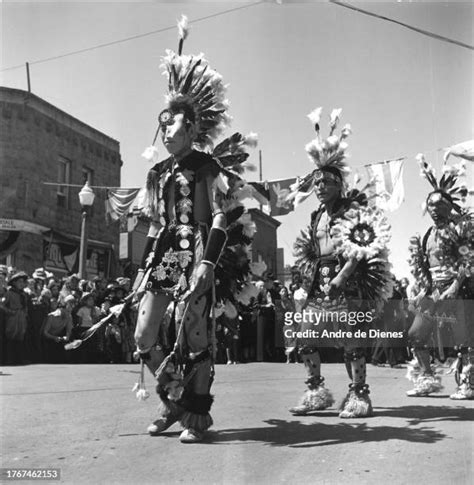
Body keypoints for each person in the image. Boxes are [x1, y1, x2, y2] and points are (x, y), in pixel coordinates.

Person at [132, 16, 257, 443]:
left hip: (199, 250)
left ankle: (197, 415)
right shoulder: (156, 173)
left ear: (191, 126)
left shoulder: (207, 166)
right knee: (144, 334)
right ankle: (174, 398)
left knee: (193, 332)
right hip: (164, 256)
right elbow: (153, 224)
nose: (167, 131)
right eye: (163, 124)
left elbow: (222, 213)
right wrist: (140, 269)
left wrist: (207, 262)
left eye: (174, 124)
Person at [287, 107, 392, 418]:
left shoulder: (351, 210)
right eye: (317, 183)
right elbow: (312, 253)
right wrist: (304, 282)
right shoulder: (317, 214)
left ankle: (360, 397)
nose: (320, 187)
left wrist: (343, 276)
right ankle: (316, 392)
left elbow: (362, 247)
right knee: (305, 336)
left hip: (348, 279)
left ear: (339, 185)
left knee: (350, 340)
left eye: (327, 183)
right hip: (320, 280)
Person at [406, 154, 473, 399]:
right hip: (434, 289)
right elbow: (424, 266)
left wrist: (456, 284)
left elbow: (468, 259)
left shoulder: (461, 228)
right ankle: (427, 379)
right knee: (415, 333)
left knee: (462, 337)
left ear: (449, 205)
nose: (434, 209)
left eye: (440, 205)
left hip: (458, 288)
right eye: (431, 205)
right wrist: (423, 289)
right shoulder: (426, 235)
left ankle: (467, 383)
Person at [0, 272, 29, 365]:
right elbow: (2, 305)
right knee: (11, 338)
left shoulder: (23, 294)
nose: (21, 283)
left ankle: (19, 359)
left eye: (22, 281)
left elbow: (25, 305)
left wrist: (25, 313)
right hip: (13, 318)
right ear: (14, 282)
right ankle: (10, 360)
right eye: (19, 281)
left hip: (21, 317)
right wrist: (10, 312)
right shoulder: (9, 293)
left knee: (20, 338)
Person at [42, 295, 74, 363]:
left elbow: (69, 330)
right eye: (69, 306)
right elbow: (45, 332)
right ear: (62, 308)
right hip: (47, 340)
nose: (70, 311)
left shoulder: (69, 316)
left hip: (59, 339)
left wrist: (67, 337)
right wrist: (54, 337)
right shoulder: (51, 316)